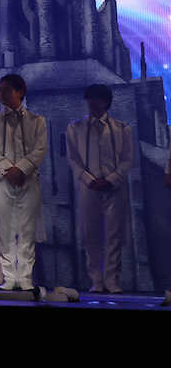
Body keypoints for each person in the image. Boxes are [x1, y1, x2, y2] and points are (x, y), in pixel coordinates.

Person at [0, 73, 47, 291]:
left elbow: (40, 149)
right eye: (0, 90)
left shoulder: (37, 121)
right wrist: (8, 169)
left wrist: (22, 168)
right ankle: (9, 276)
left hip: (28, 180)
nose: (2, 94)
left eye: (7, 90)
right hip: (2, 180)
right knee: (5, 228)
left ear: (20, 92)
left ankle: (25, 275)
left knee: (27, 228)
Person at [66, 84, 133, 293]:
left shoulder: (122, 129)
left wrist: (112, 179)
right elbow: (73, 159)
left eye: (96, 99)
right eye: (89, 99)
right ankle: (96, 279)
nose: (92, 103)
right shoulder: (76, 128)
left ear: (106, 102)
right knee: (90, 234)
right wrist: (88, 180)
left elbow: (127, 159)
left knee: (114, 234)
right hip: (89, 188)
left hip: (114, 187)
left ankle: (112, 280)